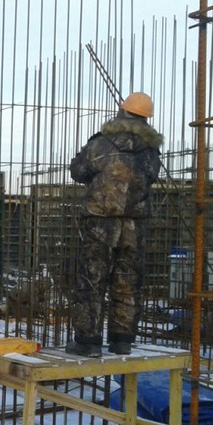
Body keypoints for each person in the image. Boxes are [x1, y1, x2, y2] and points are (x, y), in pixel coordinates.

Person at [65, 92, 163, 358]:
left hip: (101, 220)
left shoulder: (101, 143)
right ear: (146, 118)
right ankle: (122, 341)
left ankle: (88, 341)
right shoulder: (151, 149)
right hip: (134, 224)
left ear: (122, 111)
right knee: (128, 280)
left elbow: (78, 171)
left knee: (92, 278)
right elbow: (152, 177)